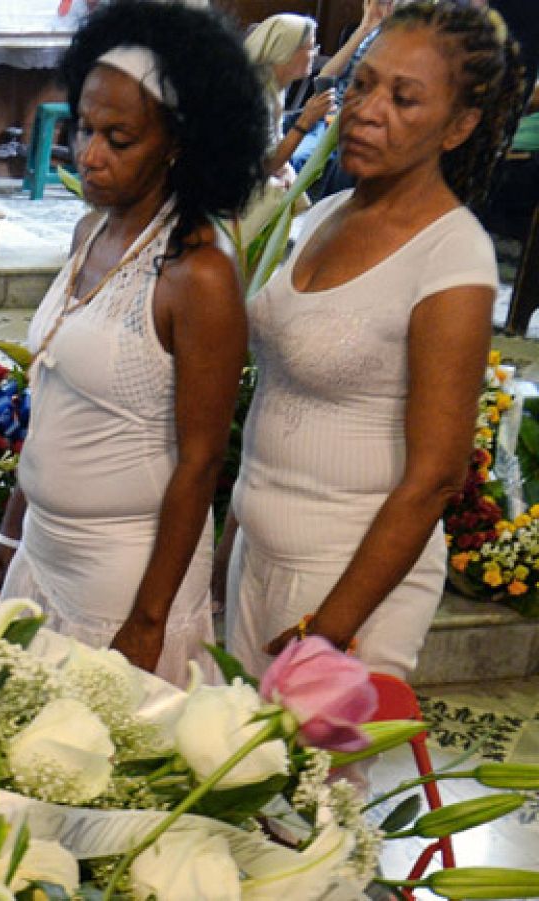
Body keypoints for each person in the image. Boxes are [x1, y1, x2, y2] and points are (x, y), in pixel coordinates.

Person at [223, 1, 523, 679]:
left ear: (460, 126)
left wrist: (328, 631)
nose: (366, 108)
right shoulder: (327, 212)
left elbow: (437, 474)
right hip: (258, 554)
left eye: (404, 98)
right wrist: (231, 542)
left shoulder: (452, 257)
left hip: (349, 583)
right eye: (362, 82)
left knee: (310, 784)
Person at [0, 0, 266, 687]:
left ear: (176, 141)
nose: (90, 154)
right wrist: (11, 528)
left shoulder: (197, 274)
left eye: (118, 136)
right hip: (45, 550)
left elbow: (200, 463)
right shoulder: (89, 233)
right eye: (84, 128)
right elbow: (50, 394)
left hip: (124, 571)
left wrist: (149, 617)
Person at [291, 0, 397, 198]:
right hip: (329, 114)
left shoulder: (399, 44)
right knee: (298, 158)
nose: (384, 7)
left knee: (325, 165)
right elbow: (325, 76)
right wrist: (365, 28)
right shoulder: (365, 33)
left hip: (356, 120)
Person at [245, 15, 335, 186]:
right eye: (310, 48)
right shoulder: (255, 94)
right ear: (286, 51)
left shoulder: (275, 85)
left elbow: (274, 149)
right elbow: (266, 166)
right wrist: (306, 120)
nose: (315, 54)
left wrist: (285, 169)